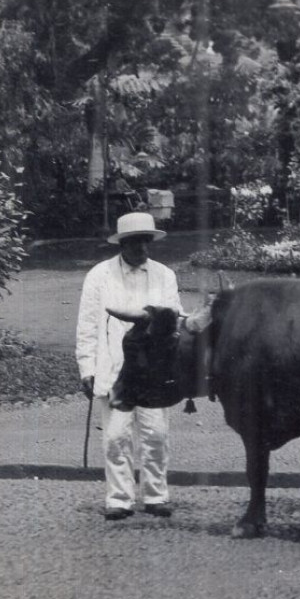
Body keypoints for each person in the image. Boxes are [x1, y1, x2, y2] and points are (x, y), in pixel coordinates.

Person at [76, 211, 182, 521]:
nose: (141, 249)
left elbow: (174, 318)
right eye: (135, 243)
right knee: (115, 436)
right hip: (114, 367)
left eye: (145, 242)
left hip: (153, 369)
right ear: (122, 244)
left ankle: (156, 495)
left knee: (156, 433)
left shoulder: (164, 275)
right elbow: (87, 324)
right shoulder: (99, 276)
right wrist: (87, 367)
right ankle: (119, 499)